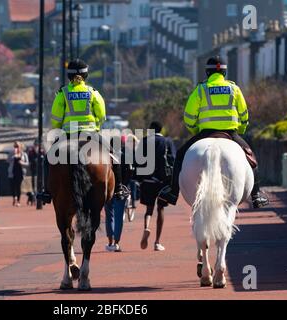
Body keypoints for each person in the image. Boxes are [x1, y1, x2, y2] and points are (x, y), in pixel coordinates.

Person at [158, 56, 270, 209]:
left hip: (205, 133)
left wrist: (195, 130)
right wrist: (241, 129)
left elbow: (189, 117)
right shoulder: (234, 89)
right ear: (224, 72)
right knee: (251, 158)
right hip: (231, 133)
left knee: (180, 155)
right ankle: (256, 195)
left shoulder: (201, 89)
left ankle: (172, 192)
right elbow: (244, 115)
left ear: (207, 72)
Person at [36, 59, 130, 204]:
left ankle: (46, 192)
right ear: (86, 75)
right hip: (91, 133)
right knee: (114, 156)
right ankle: (118, 188)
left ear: (69, 76)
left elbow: (55, 118)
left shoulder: (63, 93)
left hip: (68, 134)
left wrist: (59, 128)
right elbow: (102, 115)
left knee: (48, 159)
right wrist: (96, 126)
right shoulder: (92, 92)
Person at [136, 122, 176, 252]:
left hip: (147, 180)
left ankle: (146, 227)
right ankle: (157, 242)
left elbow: (137, 160)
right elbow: (173, 159)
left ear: (150, 130)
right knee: (160, 209)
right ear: (161, 129)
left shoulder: (144, 141)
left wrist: (139, 179)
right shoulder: (167, 141)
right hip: (163, 182)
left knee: (149, 209)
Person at [105, 135, 134, 252]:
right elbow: (131, 172)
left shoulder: (107, 157)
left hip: (108, 189)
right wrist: (125, 185)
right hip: (121, 189)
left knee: (109, 215)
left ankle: (110, 241)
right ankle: (116, 242)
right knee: (118, 216)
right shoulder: (125, 156)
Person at [8, 141, 29, 206]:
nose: (16, 147)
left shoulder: (24, 154)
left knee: (18, 186)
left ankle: (18, 201)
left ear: (20, 147)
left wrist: (22, 163)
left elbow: (27, 163)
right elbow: (7, 161)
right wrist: (13, 157)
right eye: (15, 146)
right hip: (12, 172)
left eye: (17, 146)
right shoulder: (11, 153)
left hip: (20, 172)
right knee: (12, 186)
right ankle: (14, 197)